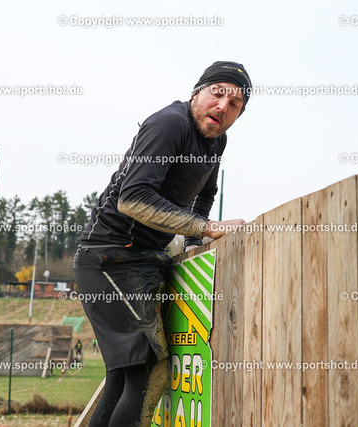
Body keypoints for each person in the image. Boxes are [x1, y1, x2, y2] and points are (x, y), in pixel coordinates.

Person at [73, 61, 252, 427]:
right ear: (197, 93)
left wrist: (193, 241)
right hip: (111, 258)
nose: (223, 106)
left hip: (140, 259)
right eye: (218, 93)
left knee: (123, 377)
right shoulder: (170, 124)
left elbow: (206, 194)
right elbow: (133, 199)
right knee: (150, 372)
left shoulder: (217, 140)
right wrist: (207, 227)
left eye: (235, 103)